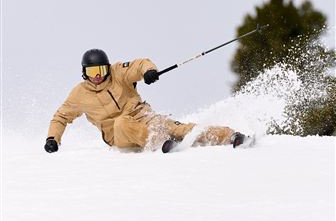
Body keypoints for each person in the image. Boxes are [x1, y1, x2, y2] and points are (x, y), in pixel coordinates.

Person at [44, 49, 249, 154]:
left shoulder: (117, 72)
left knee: (181, 129)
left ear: (107, 68)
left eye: (100, 70)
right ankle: (159, 142)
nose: (97, 76)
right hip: (118, 134)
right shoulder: (79, 94)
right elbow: (61, 117)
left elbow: (139, 64)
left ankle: (231, 136)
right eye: (91, 72)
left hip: (143, 115)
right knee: (121, 122)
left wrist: (149, 72)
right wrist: (53, 139)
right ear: (84, 73)